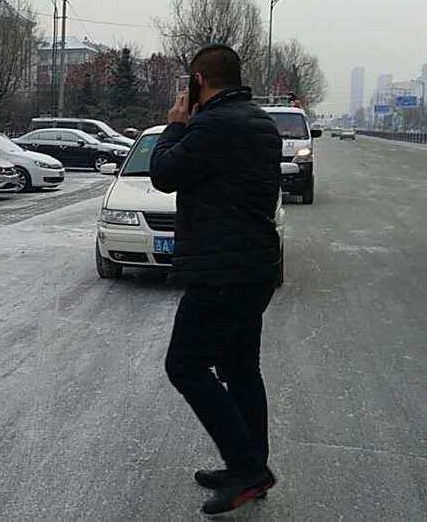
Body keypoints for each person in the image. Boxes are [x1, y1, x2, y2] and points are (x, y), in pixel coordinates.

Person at [149, 44, 283, 516]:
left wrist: (175, 123)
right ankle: (250, 470)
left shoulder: (212, 125)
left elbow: (163, 173)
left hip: (223, 270)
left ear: (200, 80)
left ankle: (247, 467)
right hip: (254, 266)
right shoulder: (260, 122)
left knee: (184, 365)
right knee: (241, 368)